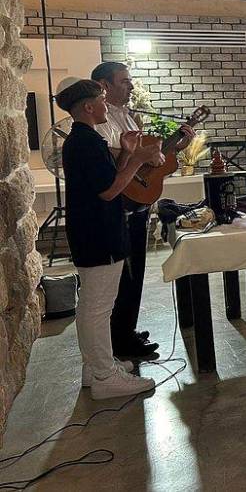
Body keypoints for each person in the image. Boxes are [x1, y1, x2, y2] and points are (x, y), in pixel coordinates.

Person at [56, 78, 161, 399]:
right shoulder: (86, 142)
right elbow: (109, 190)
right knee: (98, 307)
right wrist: (140, 159)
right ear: (89, 107)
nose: (106, 105)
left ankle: (96, 367)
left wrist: (126, 154)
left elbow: (108, 176)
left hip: (93, 230)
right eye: (102, 100)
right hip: (98, 232)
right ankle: (104, 376)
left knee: (92, 304)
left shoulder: (85, 138)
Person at [91, 61, 192, 360]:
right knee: (123, 276)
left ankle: (127, 330)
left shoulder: (129, 116)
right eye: (124, 81)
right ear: (104, 86)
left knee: (137, 273)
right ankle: (119, 340)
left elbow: (147, 161)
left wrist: (176, 147)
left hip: (137, 202)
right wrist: (138, 154)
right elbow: (107, 156)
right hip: (117, 205)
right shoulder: (98, 119)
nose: (132, 86)